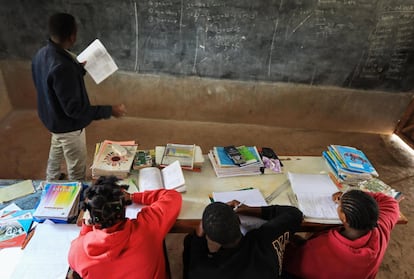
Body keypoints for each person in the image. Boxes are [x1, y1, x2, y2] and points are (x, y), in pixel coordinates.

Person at [32, 12, 126, 181]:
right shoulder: (63, 67)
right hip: (68, 127)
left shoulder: (41, 54)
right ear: (72, 36)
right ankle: (76, 191)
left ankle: (51, 178)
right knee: (76, 164)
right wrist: (109, 110)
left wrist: (77, 69)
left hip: (52, 119)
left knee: (57, 146)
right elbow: (75, 110)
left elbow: (49, 83)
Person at [68, 175, 182, 279]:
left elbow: (76, 259)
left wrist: (86, 228)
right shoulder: (148, 227)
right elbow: (173, 196)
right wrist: (133, 196)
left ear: (91, 215)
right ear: (124, 206)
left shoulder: (78, 250)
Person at [283, 190, 400, 279]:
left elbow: (289, 261)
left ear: (344, 217)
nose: (338, 205)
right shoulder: (381, 228)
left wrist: (289, 241)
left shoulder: (321, 249)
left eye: (340, 206)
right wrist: (354, 201)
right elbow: (390, 201)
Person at [183, 200, 303, 279]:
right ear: (239, 221)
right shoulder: (266, 238)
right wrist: (247, 209)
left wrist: (198, 238)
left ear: (210, 237)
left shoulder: (204, 271)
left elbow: (194, 265)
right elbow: (294, 213)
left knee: (189, 241)